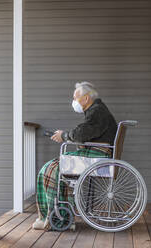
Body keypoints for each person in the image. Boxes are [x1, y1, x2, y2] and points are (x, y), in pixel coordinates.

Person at [32, 82, 117, 230]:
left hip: (97, 156)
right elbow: (87, 132)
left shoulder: (97, 111)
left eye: (75, 97)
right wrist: (66, 136)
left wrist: (64, 136)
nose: (74, 101)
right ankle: (57, 215)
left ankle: (54, 217)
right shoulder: (98, 110)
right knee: (53, 166)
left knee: (50, 169)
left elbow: (81, 133)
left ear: (85, 98)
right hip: (97, 153)